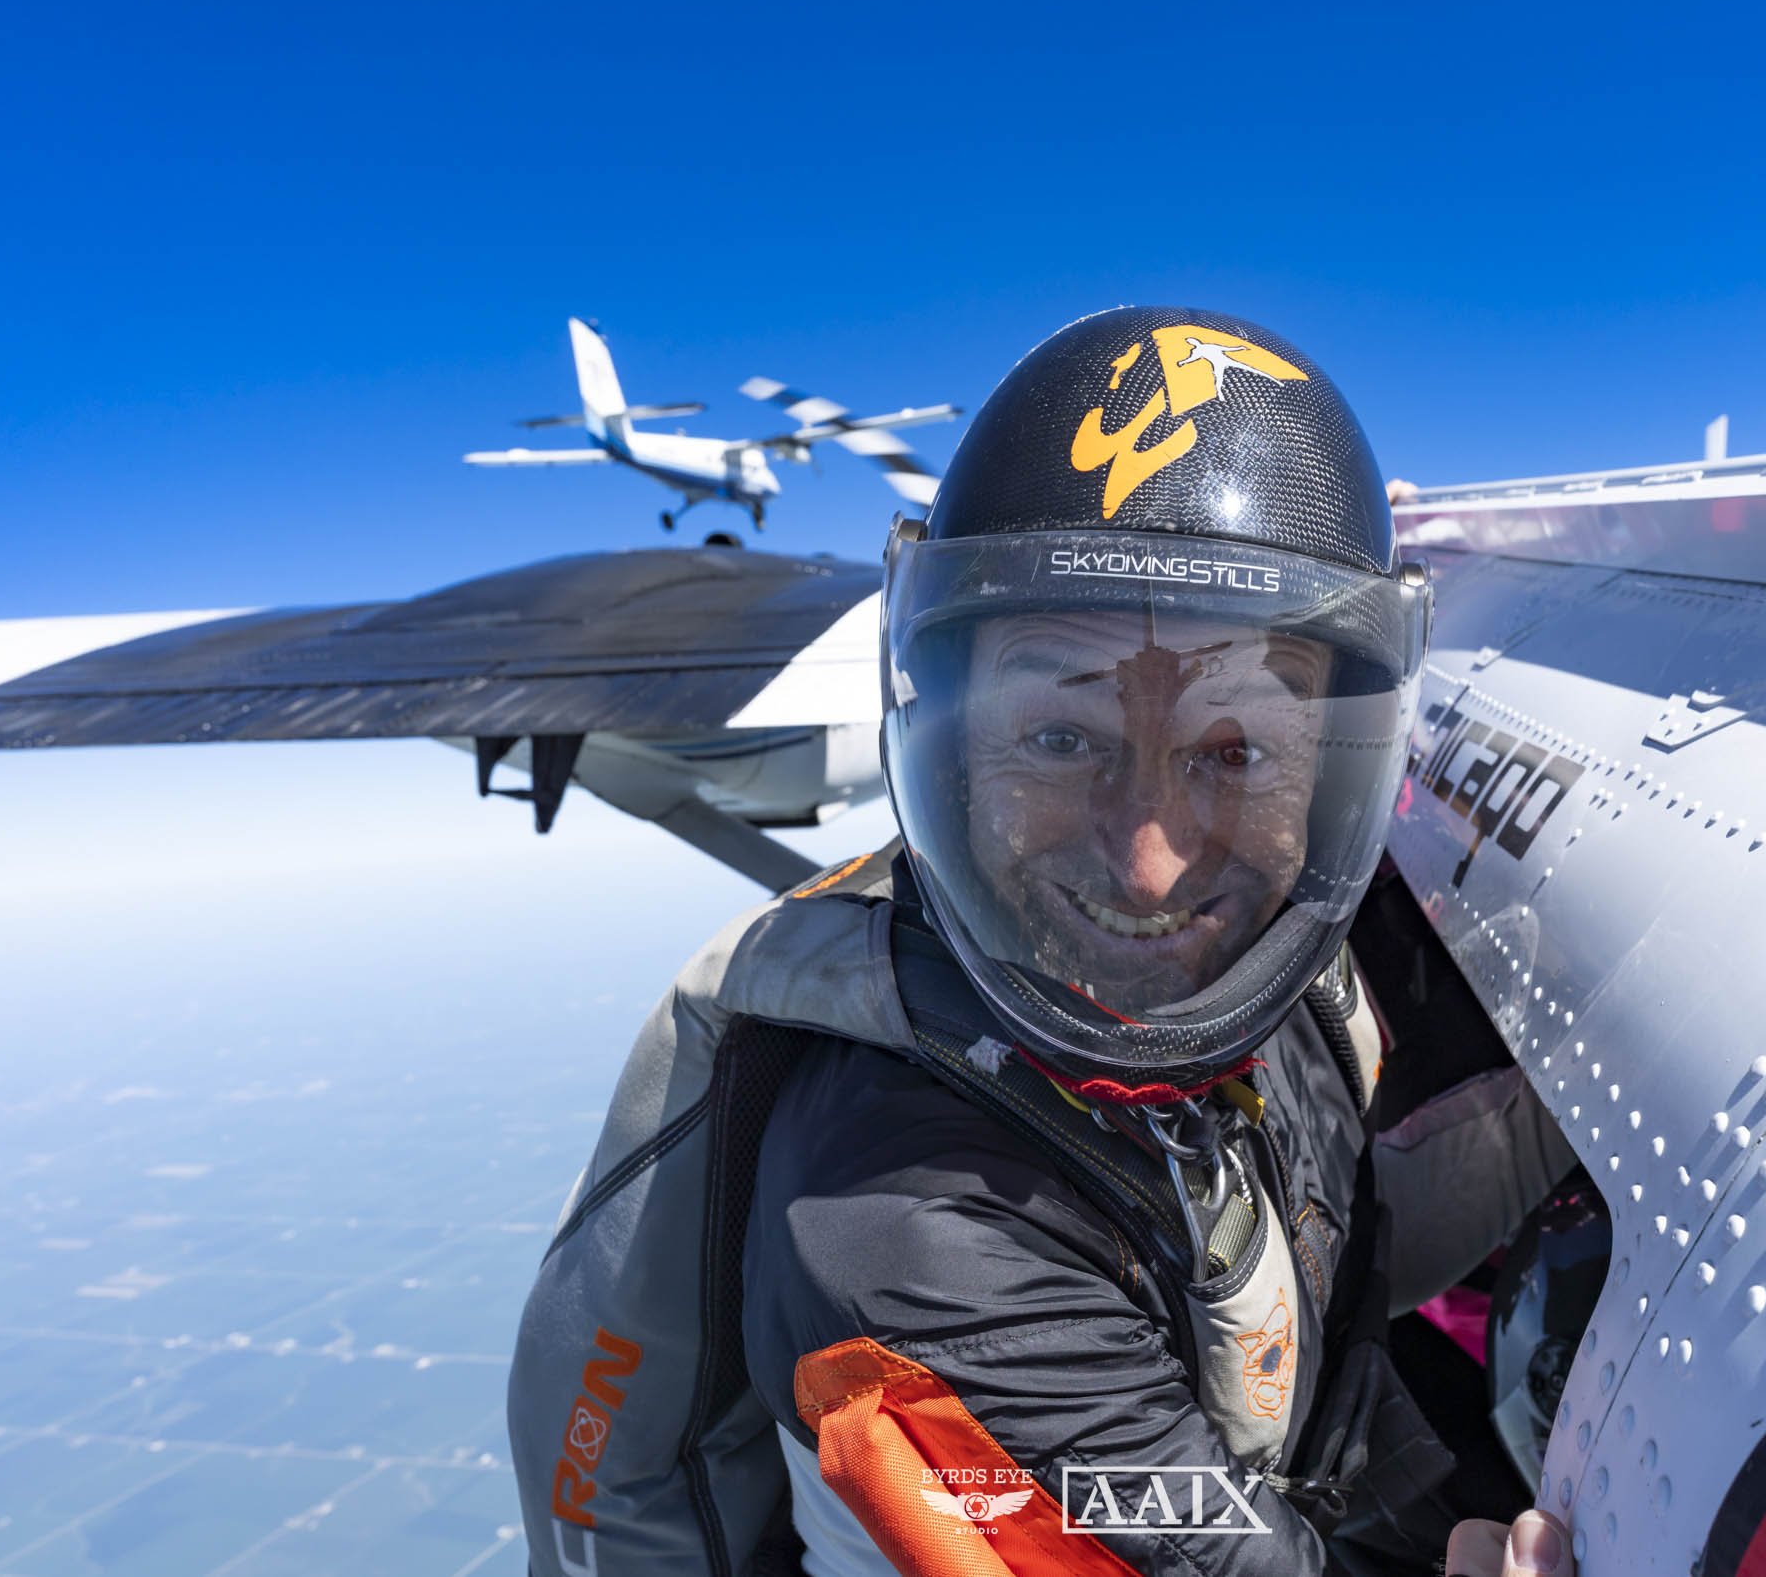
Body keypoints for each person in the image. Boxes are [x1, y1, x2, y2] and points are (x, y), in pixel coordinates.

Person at [508, 308, 1574, 1577]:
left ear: (1333, 777)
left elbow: (1333, 1242)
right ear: (954, 755)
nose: (1149, 862)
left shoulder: (1254, 969)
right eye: (1062, 740)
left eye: (1233, 753)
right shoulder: (908, 1244)